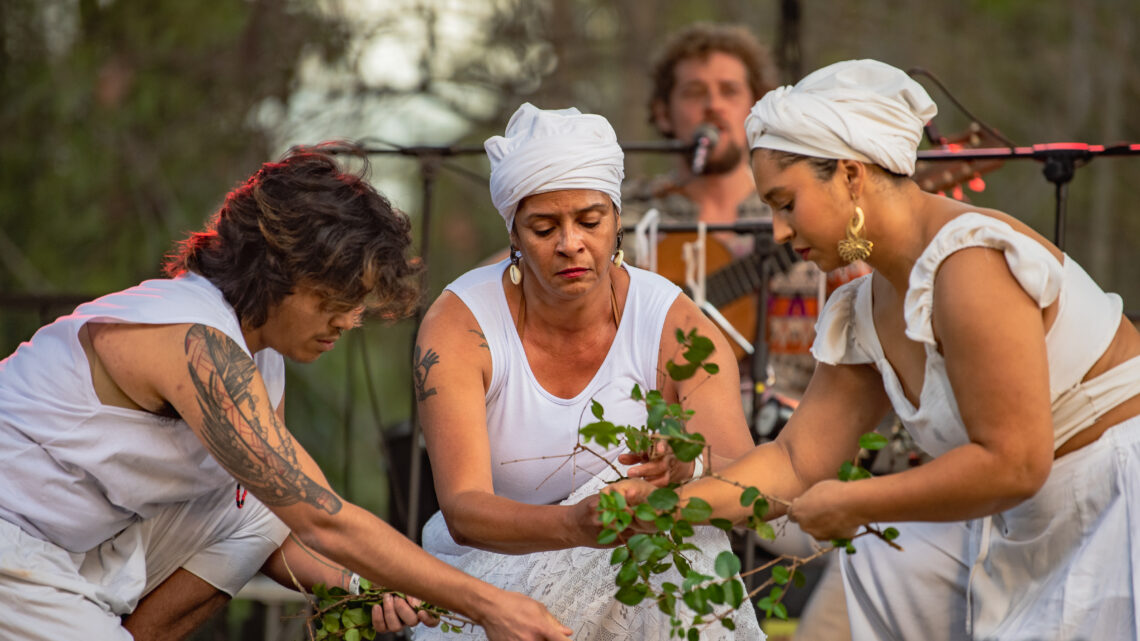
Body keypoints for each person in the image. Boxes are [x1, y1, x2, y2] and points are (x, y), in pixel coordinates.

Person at [616, 58, 1140, 640]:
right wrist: (667, 500)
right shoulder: (868, 306)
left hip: (1113, 505)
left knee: (883, 555)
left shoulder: (971, 267)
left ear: (850, 175)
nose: (779, 232)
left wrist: (860, 504)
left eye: (785, 203)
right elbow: (795, 462)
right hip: (1021, 522)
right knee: (883, 562)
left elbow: (1014, 462)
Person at [0, 148, 574, 641]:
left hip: (81, 542)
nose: (350, 321)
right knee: (285, 504)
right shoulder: (195, 344)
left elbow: (286, 525)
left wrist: (365, 589)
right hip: (13, 541)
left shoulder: (259, 351)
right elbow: (327, 521)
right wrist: (487, 602)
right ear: (281, 272)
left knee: (260, 510)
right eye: (337, 299)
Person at [412, 103, 762, 640]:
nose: (570, 243)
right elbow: (463, 510)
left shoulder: (673, 321)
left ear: (619, 220)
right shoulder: (461, 324)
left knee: (682, 536)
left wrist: (685, 469)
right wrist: (576, 526)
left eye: (590, 221)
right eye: (544, 227)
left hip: (635, 572)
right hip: (483, 583)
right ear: (513, 233)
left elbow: (742, 473)